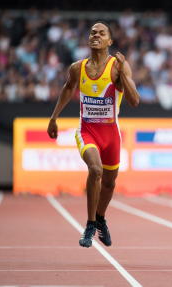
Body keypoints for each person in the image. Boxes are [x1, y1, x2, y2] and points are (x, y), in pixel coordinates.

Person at [47, 21, 140, 248]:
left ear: (109, 41)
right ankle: (90, 224)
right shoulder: (78, 68)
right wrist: (53, 117)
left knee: (109, 183)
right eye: (92, 32)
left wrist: (123, 73)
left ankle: (100, 218)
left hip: (111, 135)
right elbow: (69, 88)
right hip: (87, 131)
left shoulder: (118, 67)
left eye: (102, 33)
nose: (96, 35)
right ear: (88, 40)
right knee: (95, 169)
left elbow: (134, 101)